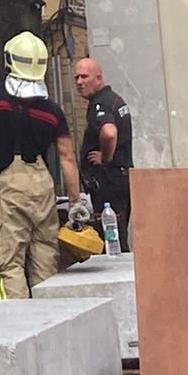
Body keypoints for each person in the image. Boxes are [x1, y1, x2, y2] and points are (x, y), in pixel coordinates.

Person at [0, 31, 87, 299]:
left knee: (6, 263)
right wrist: (75, 201)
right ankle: (48, 327)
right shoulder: (51, 110)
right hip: (42, 186)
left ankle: (16, 328)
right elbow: (67, 157)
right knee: (45, 262)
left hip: (7, 187)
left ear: (10, 60)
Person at [75, 57, 133, 252]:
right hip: (120, 179)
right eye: (76, 78)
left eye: (84, 77)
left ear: (98, 78)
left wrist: (105, 158)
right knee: (118, 235)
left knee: (112, 240)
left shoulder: (102, 104)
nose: (79, 82)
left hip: (109, 183)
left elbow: (109, 132)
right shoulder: (115, 100)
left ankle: (118, 278)